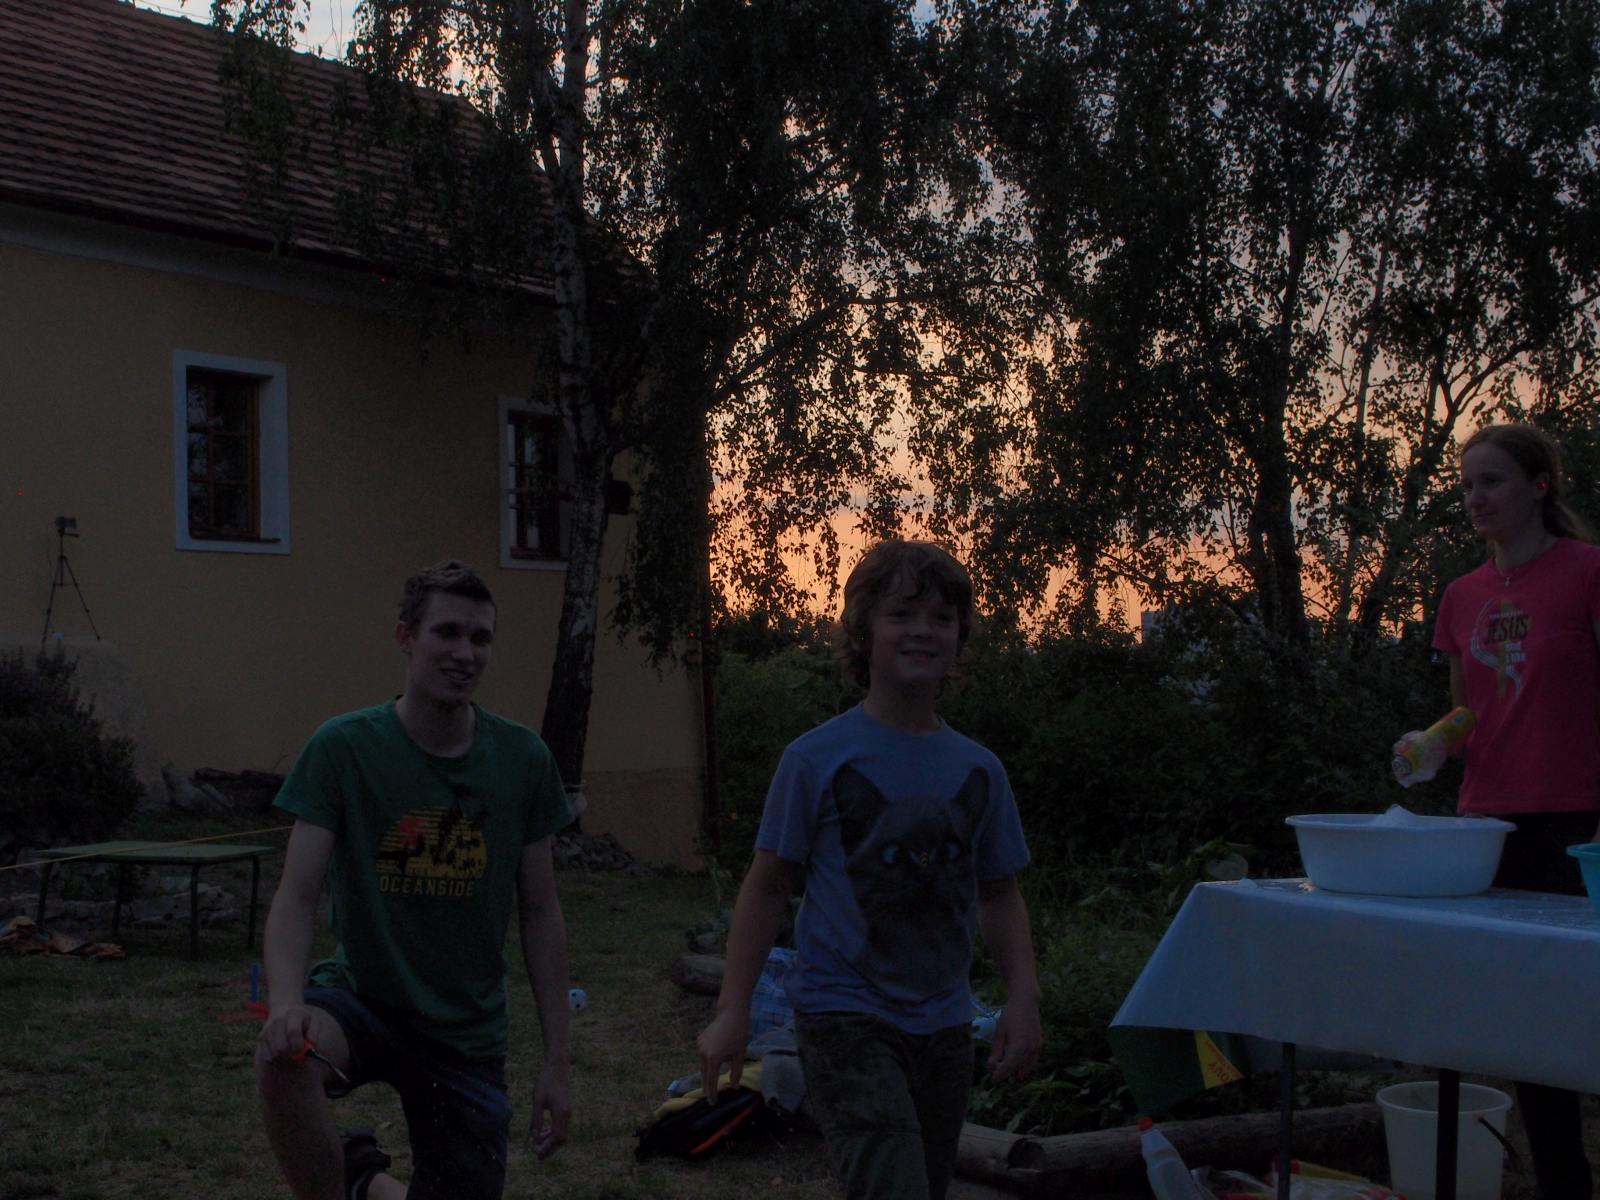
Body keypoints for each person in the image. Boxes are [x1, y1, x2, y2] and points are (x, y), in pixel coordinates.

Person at [696, 539, 1044, 1200]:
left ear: (960, 637)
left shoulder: (980, 770)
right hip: (843, 1016)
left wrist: (1023, 998)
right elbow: (767, 887)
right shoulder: (815, 759)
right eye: (901, 614)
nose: (923, 631)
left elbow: (999, 893)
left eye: (942, 618)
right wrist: (731, 1011)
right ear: (863, 633)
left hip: (945, 1025)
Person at [255, 560, 574, 1200]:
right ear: (406, 637)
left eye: (480, 638)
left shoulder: (522, 760)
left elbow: (542, 914)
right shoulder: (343, 749)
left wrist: (557, 1063)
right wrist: (285, 1003)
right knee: (284, 1058)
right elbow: (296, 897)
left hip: (464, 1032)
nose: (465, 653)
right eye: (446, 633)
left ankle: (360, 1179)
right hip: (362, 1002)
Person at [1400, 422, 1600, 1200]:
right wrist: (1430, 744)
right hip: (1484, 825)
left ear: (1539, 486)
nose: (1474, 499)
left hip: (1573, 820)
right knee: (1516, 1011)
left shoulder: (1586, 572)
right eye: (1466, 486)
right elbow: (1467, 717)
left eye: (1491, 482)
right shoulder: (1462, 596)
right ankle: (1554, 1184)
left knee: (1571, 1005)